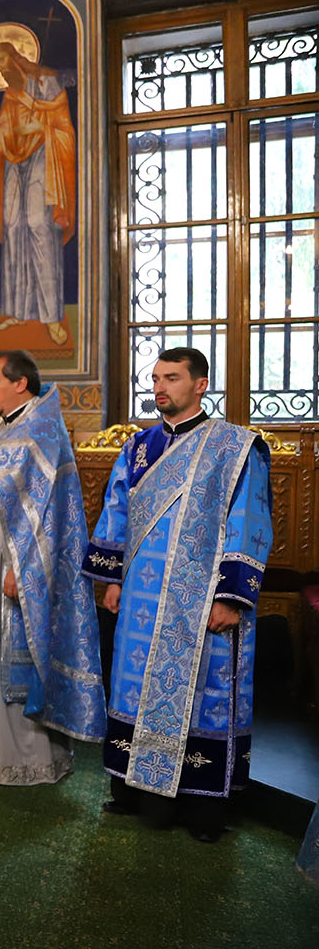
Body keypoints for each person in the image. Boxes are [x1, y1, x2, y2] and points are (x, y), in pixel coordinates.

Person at [82, 347, 271, 842]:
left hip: (202, 599)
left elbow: (248, 520)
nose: (159, 387)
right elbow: (116, 511)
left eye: (171, 378)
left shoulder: (235, 447)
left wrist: (231, 597)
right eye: (155, 378)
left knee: (204, 698)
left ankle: (202, 808)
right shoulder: (138, 448)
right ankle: (133, 792)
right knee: (134, 689)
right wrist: (113, 580)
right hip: (142, 601)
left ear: (200, 384)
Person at [0, 350, 104, 785]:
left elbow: (47, 515)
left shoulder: (42, 433)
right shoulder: (3, 431)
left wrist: (23, 571)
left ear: (20, 383)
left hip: (15, 561)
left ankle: (24, 755)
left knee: (11, 652)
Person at [0, 39, 75, 347]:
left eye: (2, 62)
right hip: (15, 163)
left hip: (44, 156)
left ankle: (51, 317)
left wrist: (40, 128)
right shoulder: (11, 94)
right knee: (13, 227)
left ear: (15, 58)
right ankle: (18, 311)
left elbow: (64, 127)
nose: (0, 70)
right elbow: (8, 133)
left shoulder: (46, 82)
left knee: (39, 225)